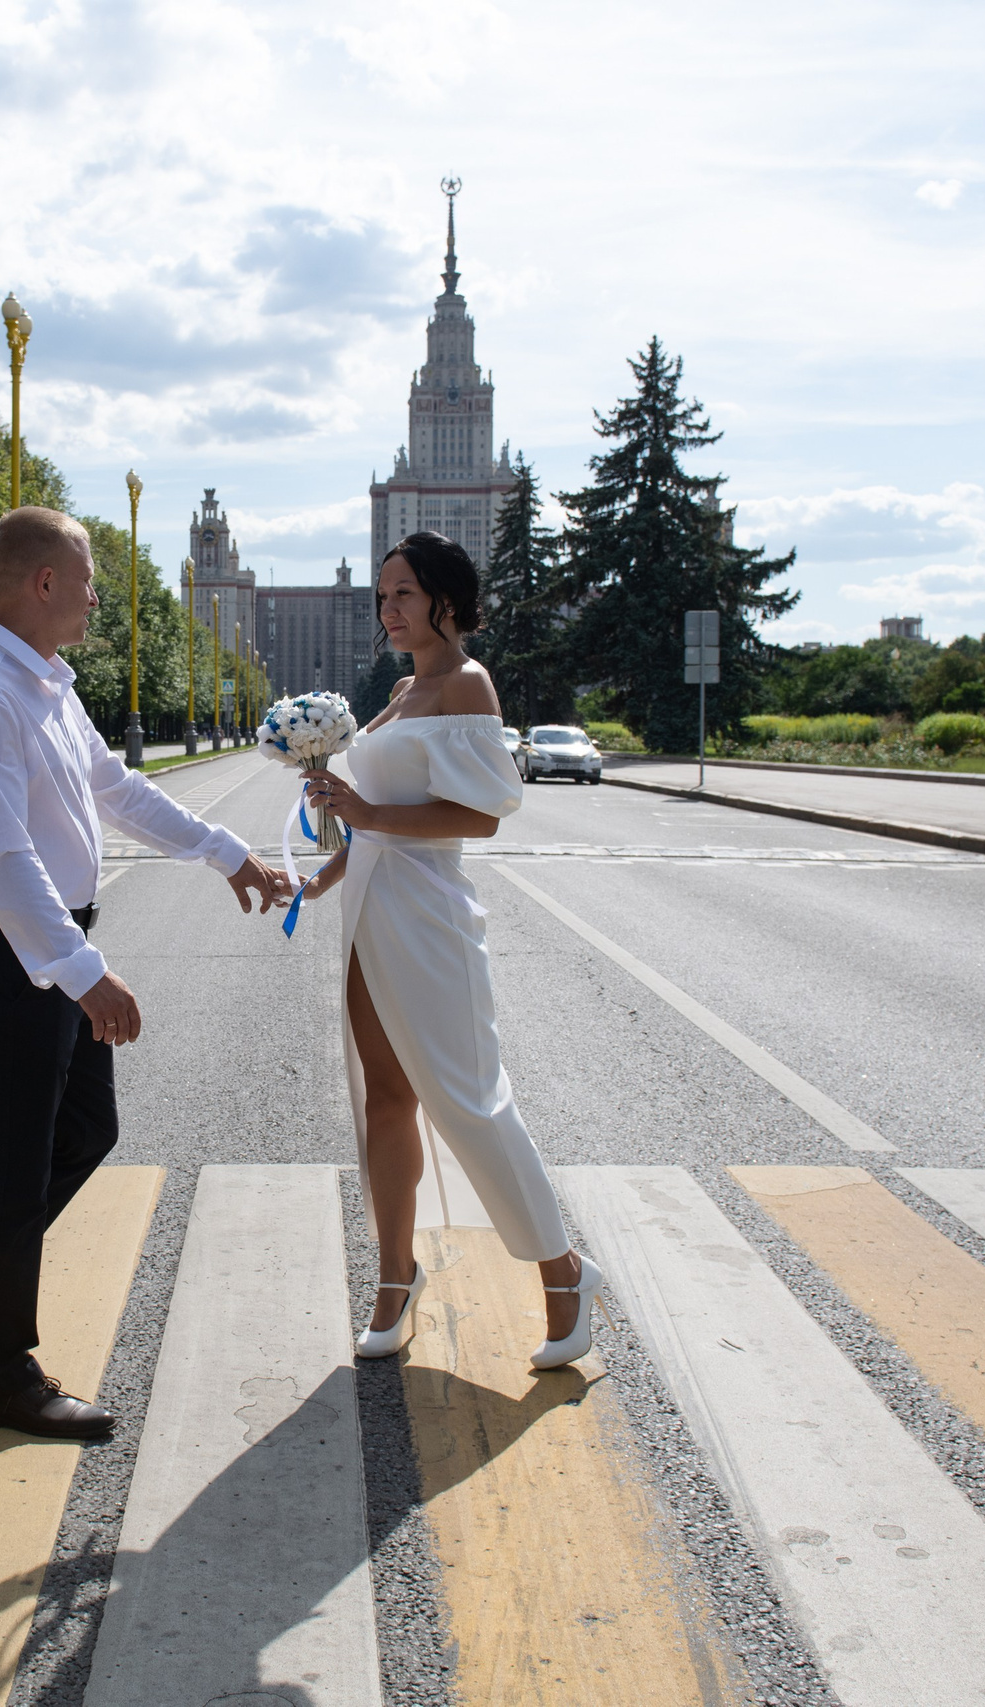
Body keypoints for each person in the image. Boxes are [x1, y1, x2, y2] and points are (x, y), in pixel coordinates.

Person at [0, 506, 293, 1439]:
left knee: (85, 1127)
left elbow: (115, 790)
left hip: (51, 944)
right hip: (16, 952)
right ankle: (4, 1376)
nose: (94, 597)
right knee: (9, 1164)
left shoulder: (45, 684)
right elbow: (6, 860)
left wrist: (223, 851)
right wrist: (84, 974)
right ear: (44, 583)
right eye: (85, 580)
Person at [296, 531, 603, 1368]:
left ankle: (565, 1272)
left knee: (470, 1100)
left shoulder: (466, 683)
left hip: (430, 917)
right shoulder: (402, 690)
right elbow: (372, 817)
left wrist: (365, 814)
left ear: (446, 599)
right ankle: (394, 1279)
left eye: (403, 593)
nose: (389, 609)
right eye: (382, 596)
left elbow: (481, 814)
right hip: (370, 906)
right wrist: (325, 873)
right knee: (386, 1101)